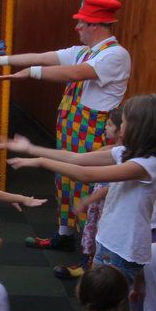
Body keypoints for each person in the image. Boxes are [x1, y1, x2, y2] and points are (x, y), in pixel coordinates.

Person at [9, 93, 156, 311]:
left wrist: (39, 160)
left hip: (122, 250)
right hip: (110, 241)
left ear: (141, 127)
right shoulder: (126, 152)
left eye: (125, 121)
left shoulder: (147, 164)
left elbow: (86, 174)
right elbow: (76, 158)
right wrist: (32, 150)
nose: (120, 125)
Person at [0, 0, 130, 251]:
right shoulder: (83, 52)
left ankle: (91, 253)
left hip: (94, 133)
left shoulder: (116, 55)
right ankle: (64, 235)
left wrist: (30, 74)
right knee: (65, 180)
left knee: (88, 185)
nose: (77, 27)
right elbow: (43, 56)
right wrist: (0, 60)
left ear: (95, 25)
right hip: (73, 129)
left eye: (81, 22)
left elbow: (75, 73)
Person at [50, 103, 124, 280]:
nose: (105, 127)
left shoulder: (121, 155)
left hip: (107, 206)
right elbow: (81, 163)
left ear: (121, 130)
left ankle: (94, 268)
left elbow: (107, 187)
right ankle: (89, 263)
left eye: (110, 124)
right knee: (93, 232)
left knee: (99, 235)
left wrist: (87, 200)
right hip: (100, 204)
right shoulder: (109, 150)